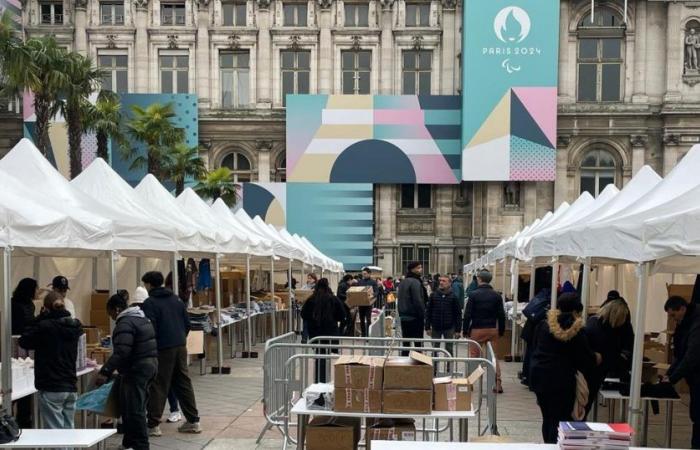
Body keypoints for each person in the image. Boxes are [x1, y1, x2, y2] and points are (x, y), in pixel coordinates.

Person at [529, 293, 599, 444]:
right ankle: (555, 445)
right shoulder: (577, 330)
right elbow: (584, 357)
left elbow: (535, 347)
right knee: (560, 420)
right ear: (577, 309)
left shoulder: (544, 325)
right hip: (562, 380)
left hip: (540, 376)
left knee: (547, 417)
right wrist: (596, 358)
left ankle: (548, 444)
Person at [140, 271, 202, 436]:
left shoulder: (150, 303)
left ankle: (153, 424)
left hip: (162, 348)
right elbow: (187, 323)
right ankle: (193, 421)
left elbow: (149, 328)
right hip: (180, 346)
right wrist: (180, 338)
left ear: (149, 285)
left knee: (159, 384)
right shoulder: (177, 300)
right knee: (183, 382)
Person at [19, 292, 83, 444]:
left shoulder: (45, 326)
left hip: (51, 385)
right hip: (70, 384)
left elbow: (24, 340)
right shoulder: (75, 326)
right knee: (68, 431)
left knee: (55, 435)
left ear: (45, 309)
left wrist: (40, 317)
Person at [95, 294, 158, 450]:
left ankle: (141, 445)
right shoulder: (141, 318)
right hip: (149, 365)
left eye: (110, 313)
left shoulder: (124, 323)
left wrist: (105, 371)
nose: (110, 317)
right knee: (131, 407)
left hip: (136, 369)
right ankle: (129, 443)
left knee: (134, 409)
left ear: (117, 309)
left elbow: (122, 351)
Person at [584, 298, 633, 415]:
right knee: (584, 407)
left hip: (589, 372)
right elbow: (610, 354)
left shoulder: (592, 322)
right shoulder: (605, 331)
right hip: (593, 373)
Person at [664, 296, 700, 449]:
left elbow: (691, 355)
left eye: (673, 315)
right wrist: (669, 374)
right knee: (696, 414)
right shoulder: (686, 322)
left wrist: (672, 379)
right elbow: (680, 354)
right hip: (695, 378)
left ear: (683, 309)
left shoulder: (696, 324)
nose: (672, 319)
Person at [462, 269, 506, 393]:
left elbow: (468, 314)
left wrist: (465, 330)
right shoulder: (497, 295)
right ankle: (497, 383)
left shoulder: (474, 295)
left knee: (474, 357)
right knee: (493, 357)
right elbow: (501, 315)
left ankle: (470, 383)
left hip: (477, 329)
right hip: (492, 329)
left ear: (479, 279)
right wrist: (501, 331)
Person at [300, 278, 348, 382]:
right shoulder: (333, 299)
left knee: (319, 357)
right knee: (327, 357)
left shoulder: (311, 299)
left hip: (316, 335)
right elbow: (342, 315)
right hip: (330, 333)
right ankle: (325, 381)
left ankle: (319, 381)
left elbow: (303, 314)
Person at [11, 278, 40, 428]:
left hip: (27, 347)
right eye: (36, 288)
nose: (38, 291)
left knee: (27, 384)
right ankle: (19, 417)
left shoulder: (29, 304)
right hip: (17, 347)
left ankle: (24, 417)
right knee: (18, 383)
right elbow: (22, 324)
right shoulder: (15, 305)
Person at [425, 275, 462, 358]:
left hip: (449, 327)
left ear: (449, 283)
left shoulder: (454, 297)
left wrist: (458, 330)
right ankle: (434, 369)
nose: (441, 282)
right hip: (436, 327)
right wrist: (427, 326)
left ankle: (449, 369)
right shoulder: (433, 295)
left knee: (449, 350)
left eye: (444, 281)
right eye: (440, 280)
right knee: (435, 349)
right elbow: (428, 312)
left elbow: (458, 314)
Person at [398, 262, 427, 356]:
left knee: (406, 344)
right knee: (418, 344)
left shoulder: (403, 282)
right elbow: (418, 300)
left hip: (404, 316)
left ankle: (404, 364)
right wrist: (423, 314)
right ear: (412, 269)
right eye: (418, 268)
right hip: (415, 316)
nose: (421, 269)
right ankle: (417, 366)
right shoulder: (415, 282)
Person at [356, 268, 379, 337]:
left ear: (369, 274)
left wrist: (372, 295)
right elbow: (357, 291)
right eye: (363, 274)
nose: (364, 275)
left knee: (368, 319)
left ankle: (369, 335)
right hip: (361, 304)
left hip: (369, 304)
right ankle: (363, 335)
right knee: (362, 320)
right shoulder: (360, 282)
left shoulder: (373, 282)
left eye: (365, 274)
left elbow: (376, 291)